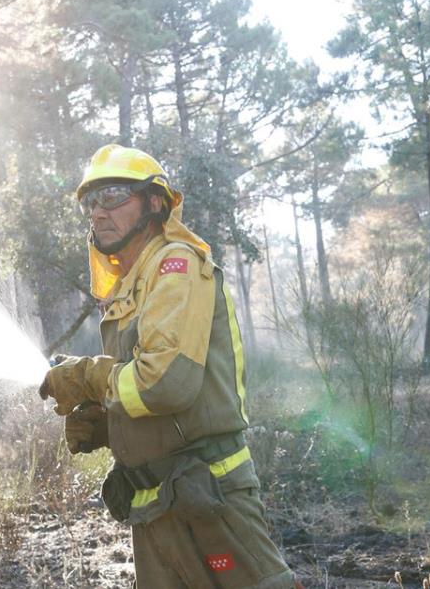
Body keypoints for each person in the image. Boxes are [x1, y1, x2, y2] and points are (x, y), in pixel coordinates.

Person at [40, 144, 300, 588]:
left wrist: (87, 377)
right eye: (91, 202)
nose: (98, 213)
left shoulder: (174, 266)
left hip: (208, 497)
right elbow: (146, 393)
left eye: (115, 195)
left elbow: (165, 384)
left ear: (154, 203)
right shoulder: (133, 284)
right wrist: (109, 426)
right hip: (156, 504)